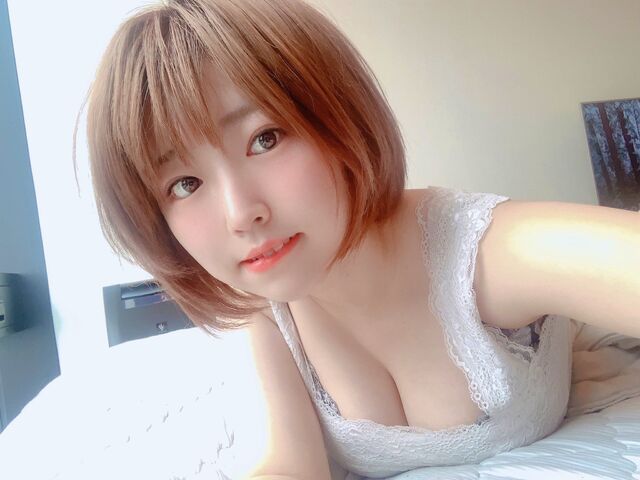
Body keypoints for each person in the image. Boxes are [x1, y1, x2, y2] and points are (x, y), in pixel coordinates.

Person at [83, 0, 640, 478]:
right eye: (184, 184)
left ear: (338, 114)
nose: (241, 215)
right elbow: (287, 465)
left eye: (265, 138)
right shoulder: (261, 307)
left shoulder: (481, 252)